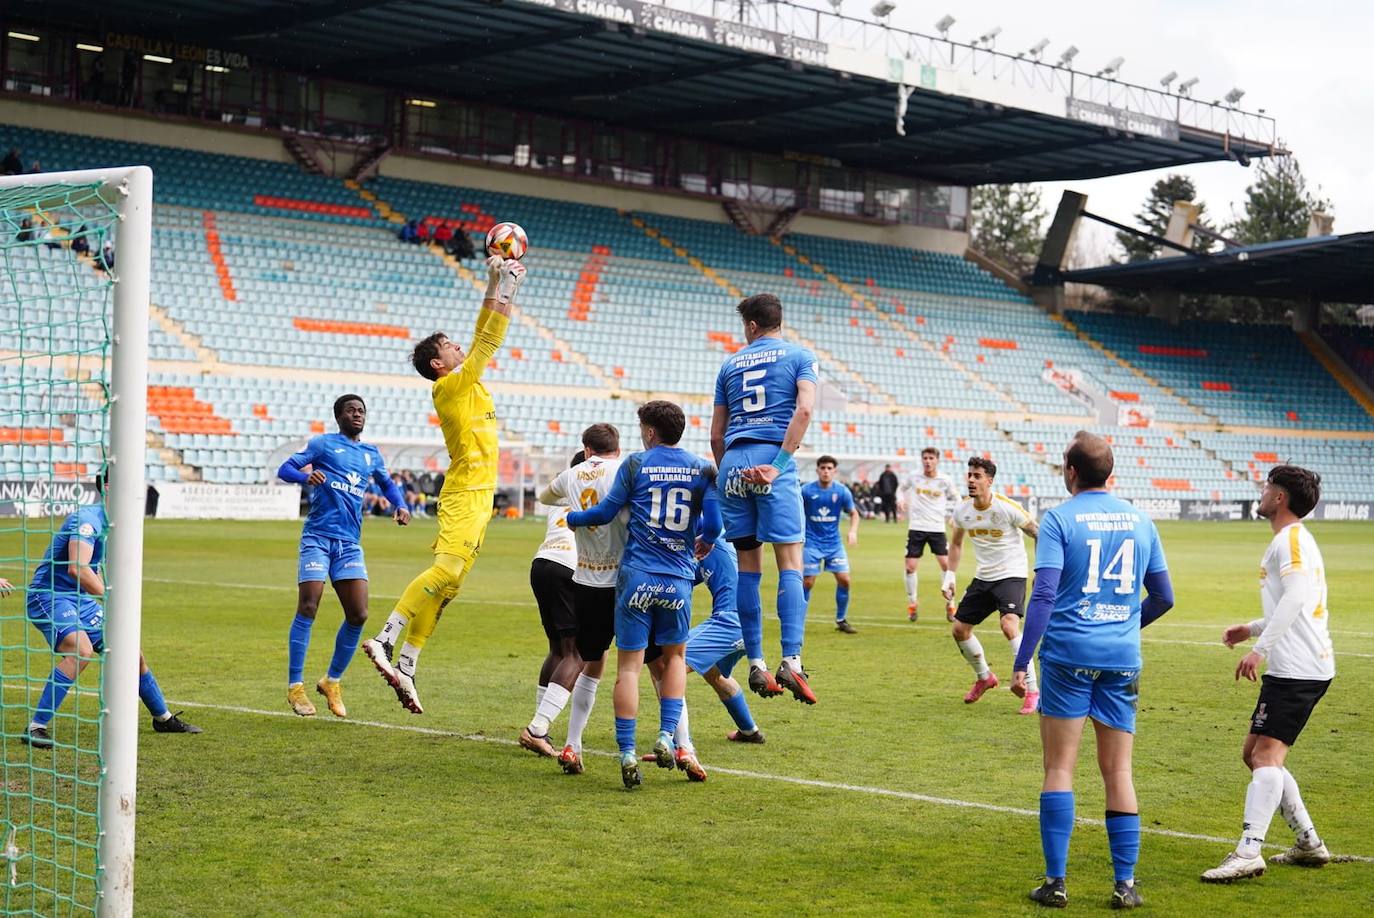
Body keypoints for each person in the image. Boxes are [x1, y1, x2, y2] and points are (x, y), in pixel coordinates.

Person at [1012, 431, 1174, 910]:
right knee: (1118, 770)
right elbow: (1164, 596)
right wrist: (1125, 625)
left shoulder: (1060, 519)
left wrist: (1022, 660)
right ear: (1111, 472)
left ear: (1070, 470)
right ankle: (1125, 885)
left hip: (1067, 657)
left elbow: (1042, 595)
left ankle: (1056, 883)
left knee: (1059, 767)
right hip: (1121, 659)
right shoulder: (1142, 520)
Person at [361, 254, 526, 713]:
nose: (460, 348)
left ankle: (409, 663)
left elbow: (484, 336)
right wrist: (503, 283)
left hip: (481, 496)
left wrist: (501, 283)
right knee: (447, 571)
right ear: (438, 363)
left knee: (450, 588)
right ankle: (384, 636)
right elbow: (487, 338)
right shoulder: (448, 386)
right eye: (450, 346)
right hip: (463, 494)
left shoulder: (469, 384)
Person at [567, 401, 719, 790]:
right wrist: (702, 541)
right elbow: (715, 525)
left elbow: (604, 513)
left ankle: (628, 753)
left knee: (629, 668)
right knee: (673, 661)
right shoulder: (704, 468)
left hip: (636, 578)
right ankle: (669, 737)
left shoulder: (636, 464)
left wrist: (573, 519)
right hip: (678, 581)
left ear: (650, 432)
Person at [1202, 465, 1335, 882]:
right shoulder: (1290, 540)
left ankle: (1248, 851)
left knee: (1266, 756)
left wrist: (1259, 650)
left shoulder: (1291, 540)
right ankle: (1308, 843)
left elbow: (1297, 596)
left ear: (1280, 498)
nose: (1260, 493)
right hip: (1298, 666)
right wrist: (1251, 628)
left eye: (1266, 487)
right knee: (1254, 754)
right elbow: (1292, 602)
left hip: (1298, 668)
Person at [21, 473, 202, 748]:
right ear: (107, 487)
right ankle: (36, 726)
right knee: (81, 651)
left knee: (132, 654)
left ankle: (163, 718)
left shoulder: (115, 523)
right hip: (50, 596)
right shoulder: (88, 520)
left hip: (80, 599)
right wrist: (113, 597)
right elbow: (77, 568)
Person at [711, 293, 817, 704]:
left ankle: (756, 662)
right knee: (790, 561)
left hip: (735, 460)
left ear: (751, 326)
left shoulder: (729, 364)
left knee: (747, 566)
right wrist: (778, 463)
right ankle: (791, 659)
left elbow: (717, 435)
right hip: (773, 458)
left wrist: (729, 475)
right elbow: (804, 410)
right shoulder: (800, 357)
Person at [276, 394, 410, 718]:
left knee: (359, 614)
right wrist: (305, 476)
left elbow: (387, 484)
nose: (357, 414)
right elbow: (286, 468)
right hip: (318, 537)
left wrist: (401, 504)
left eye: (361, 410)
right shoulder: (322, 445)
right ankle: (295, 688)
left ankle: (331, 681)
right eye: (351, 410)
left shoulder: (370, 454)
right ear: (339, 416)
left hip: (349, 543)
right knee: (309, 604)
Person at [535, 424, 627, 773]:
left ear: (587, 449)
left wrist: (571, 502)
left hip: (564, 570)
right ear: (617, 448)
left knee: (568, 651)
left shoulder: (570, 477)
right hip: (613, 577)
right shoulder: (623, 470)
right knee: (651, 664)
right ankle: (678, 742)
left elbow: (545, 497)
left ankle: (569, 742)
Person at [942, 457, 1041, 715]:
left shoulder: (1007, 508)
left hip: (1011, 574)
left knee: (1009, 624)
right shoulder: (963, 511)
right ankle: (985, 677)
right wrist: (949, 575)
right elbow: (955, 543)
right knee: (959, 630)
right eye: (969, 475)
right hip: (983, 576)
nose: (971, 480)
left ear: (989, 480)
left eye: (977, 476)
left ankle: (1032, 690)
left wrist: (1041, 570)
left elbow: (1037, 532)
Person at [520, 450, 580, 756]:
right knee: (578, 652)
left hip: (542, 563)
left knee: (557, 648)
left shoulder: (560, 497)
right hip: (571, 567)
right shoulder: (596, 493)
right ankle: (538, 727)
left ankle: (540, 726)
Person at [898, 447, 959, 622]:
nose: (927, 461)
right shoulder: (914, 477)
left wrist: (955, 516)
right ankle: (912, 603)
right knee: (910, 567)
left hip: (937, 529)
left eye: (931, 458)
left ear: (937, 460)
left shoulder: (945, 480)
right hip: (916, 527)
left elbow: (957, 499)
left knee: (947, 566)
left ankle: (950, 604)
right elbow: (900, 489)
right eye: (925, 458)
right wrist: (900, 499)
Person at [801, 455, 860, 634]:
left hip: (834, 544)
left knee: (844, 579)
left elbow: (854, 513)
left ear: (834, 471)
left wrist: (852, 531)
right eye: (823, 468)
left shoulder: (842, 491)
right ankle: (798, 621)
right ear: (817, 470)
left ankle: (841, 619)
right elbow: (794, 511)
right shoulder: (806, 491)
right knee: (808, 583)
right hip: (811, 543)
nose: (826, 471)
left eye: (829, 468)